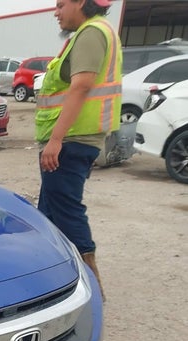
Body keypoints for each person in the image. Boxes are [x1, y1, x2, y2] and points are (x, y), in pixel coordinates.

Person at [35, 0, 121, 300]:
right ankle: (50, 279)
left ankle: (92, 288)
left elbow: (81, 86)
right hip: (71, 140)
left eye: (61, 5)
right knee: (48, 213)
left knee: (67, 212)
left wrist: (56, 139)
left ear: (81, 3)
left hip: (72, 140)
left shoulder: (91, 33)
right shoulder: (92, 32)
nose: (55, 12)